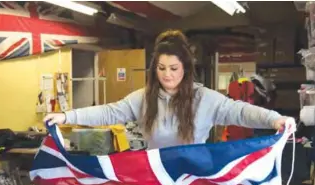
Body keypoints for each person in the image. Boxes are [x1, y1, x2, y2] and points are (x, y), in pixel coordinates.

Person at [44, 29, 289, 150]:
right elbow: (108, 112)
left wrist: (275, 119)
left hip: (195, 180)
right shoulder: (143, 98)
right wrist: (67, 116)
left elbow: (241, 112)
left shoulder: (204, 98)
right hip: (156, 179)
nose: (167, 75)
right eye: (161, 68)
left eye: (173, 68)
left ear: (185, 68)